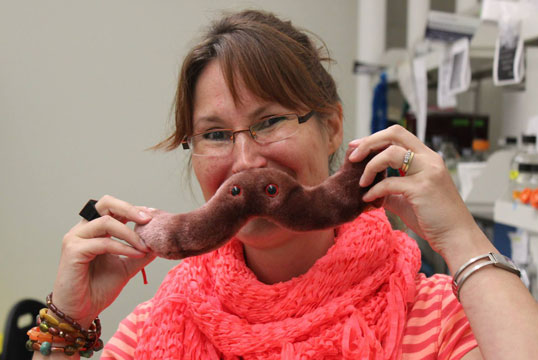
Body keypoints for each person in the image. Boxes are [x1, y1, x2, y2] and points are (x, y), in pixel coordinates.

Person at [31, 9, 538, 360]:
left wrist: (460, 236)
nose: (247, 162)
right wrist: (68, 320)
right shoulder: (155, 329)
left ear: (332, 126)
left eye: (270, 120)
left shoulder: (437, 317)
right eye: (214, 134)